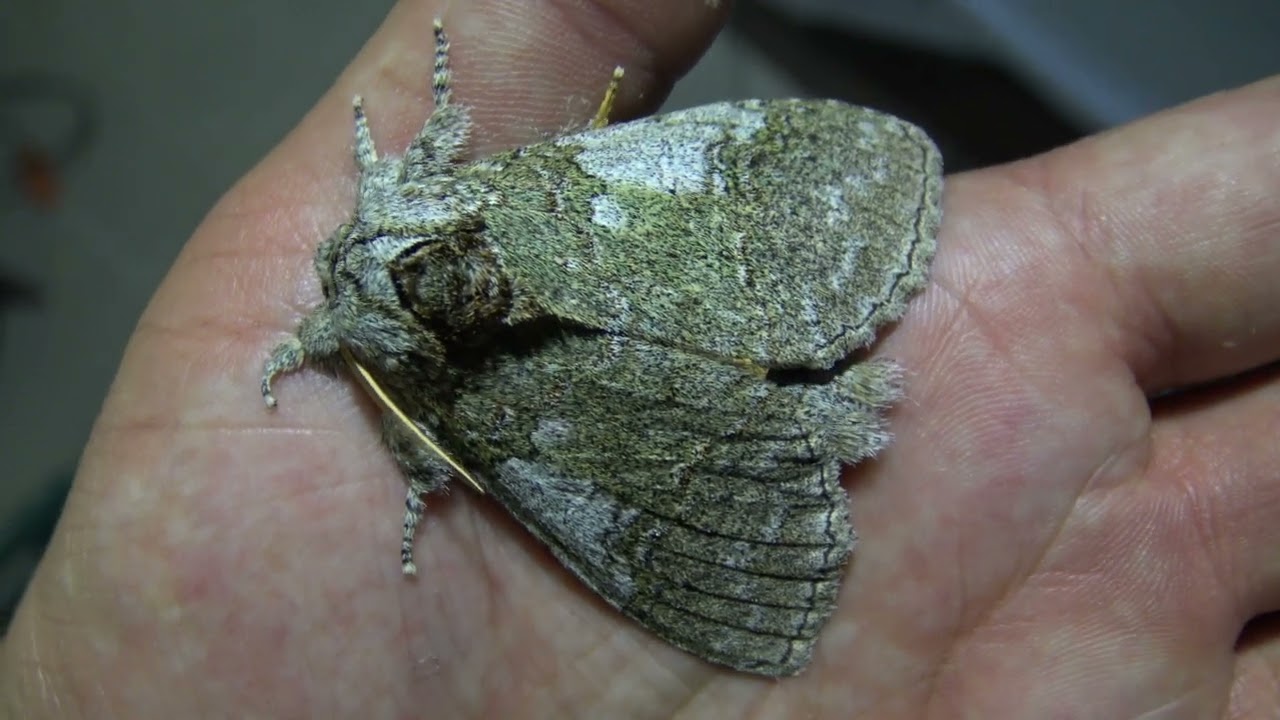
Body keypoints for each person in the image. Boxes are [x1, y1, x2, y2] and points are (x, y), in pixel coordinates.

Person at [4, 2, 1278, 717]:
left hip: (547, 408)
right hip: (601, 232)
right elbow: (424, 155)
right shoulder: (434, 226)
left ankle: (792, 429)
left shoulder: (404, 362)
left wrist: (345, 392)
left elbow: (399, 399)